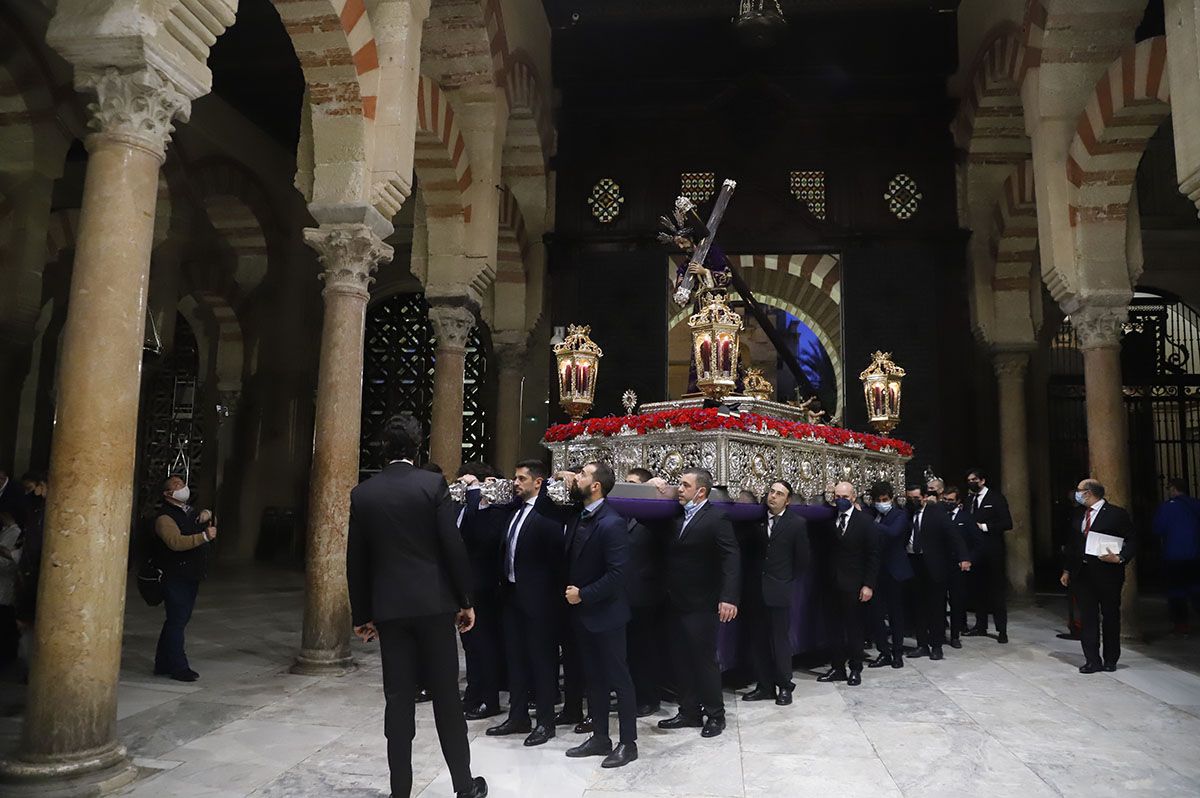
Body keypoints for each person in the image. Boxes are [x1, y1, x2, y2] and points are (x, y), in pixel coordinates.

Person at [345, 415, 486, 798]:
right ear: (417, 447)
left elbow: (355, 559)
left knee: (399, 699)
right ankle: (464, 785)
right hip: (434, 604)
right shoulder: (431, 484)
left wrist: (362, 615)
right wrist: (465, 600)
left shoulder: (364, 493)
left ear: (383, 449)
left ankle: (400, 792)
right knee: (446, 697)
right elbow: (451, 545)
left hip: (390, 609)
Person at [561, 462, 639, 768]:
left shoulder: (612, 522)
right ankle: (600, 737)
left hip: (606, 614)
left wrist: (584, 594)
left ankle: (628, 743)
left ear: (596, 486)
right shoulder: (579, 515)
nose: (577, 477)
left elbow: (618, 574)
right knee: (593, 679)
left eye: (582, 475)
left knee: (619, 679)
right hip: (582, 615)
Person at [486, 459, 567, 747]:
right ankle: (518, 716)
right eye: (515, 478)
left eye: (521, 479)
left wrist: (551, 599)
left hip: (539, 603)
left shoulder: (548, 517)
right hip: (511, 597)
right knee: (515, 659)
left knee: (541, 663)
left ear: (538, 482)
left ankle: (545, 722)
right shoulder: (516, 512)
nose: (516, 483)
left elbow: (558, 563)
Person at [658, 467, 740, 738]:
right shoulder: (677, 517)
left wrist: (728, 597)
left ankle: (715, 714)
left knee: (704, 660)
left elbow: (731, 559)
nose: (679, 489)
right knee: (680, 659)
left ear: (701, 491)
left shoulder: (717, 517)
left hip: (703, 603)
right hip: (676, 601)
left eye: (684, 485)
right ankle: (689, 711)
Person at [741, 479, 810, 705]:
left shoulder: (796, 523)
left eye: (779, 494)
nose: (773, 497)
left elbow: (802, 560)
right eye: (771, 492)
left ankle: (784, 685)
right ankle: (764, 685)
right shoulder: (756, 521)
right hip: (755, 591)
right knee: (757, 640)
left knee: (779, 641)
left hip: (778, 591)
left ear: (787, 500)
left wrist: (784, 580)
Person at [1061, 478, 1135, 674]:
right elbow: (1072, 544)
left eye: (1079, 490)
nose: (1076, 494)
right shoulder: (1079, 515)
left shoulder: (1116, 514)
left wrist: (1120, 558)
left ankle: (1110, 658)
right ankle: (1092, 660)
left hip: (1107, 573)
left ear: (1088, 492)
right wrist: (1067, 570)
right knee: (1087, 617)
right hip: (1082, 574)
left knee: (1110, 615)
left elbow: (1133, 539)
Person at [149, 475, 216, 682]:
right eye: (177, 485)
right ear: (168, 494)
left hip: (190, 573)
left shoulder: (187, 511)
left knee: (177, 620)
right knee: (177, 621)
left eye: (183, 483)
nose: (183, 487)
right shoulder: (165, 518)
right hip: (175, 575)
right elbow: (175, 542)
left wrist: (206, 515)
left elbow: (200, 518)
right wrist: (204, 537)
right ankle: (179, 667)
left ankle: (162, 663)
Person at [456, 461, 507, 720]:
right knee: (471, 645)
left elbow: (478, 534)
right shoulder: (465, 507)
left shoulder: (496, 511)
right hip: (463, 585)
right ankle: (473, 694)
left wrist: (477, 493)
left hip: (485, 586)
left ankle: (489, 699)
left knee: (484, 644)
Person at [818, 481, 879, 686]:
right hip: (832, 584)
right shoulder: (829, 521)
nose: (840, 500)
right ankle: (837, 668)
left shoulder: (865, 521)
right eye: (837, 497)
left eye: (844, 497)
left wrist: (868, 584)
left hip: (854, 585)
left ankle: (855, 668)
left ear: (853, 497)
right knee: (833, 628)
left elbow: (873, 555)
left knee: (853, 628)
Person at [904, 486, 968, 661]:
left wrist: (963, 556)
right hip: (913, 562)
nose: (913, 501)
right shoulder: (907, 513)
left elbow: (953, 535)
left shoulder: (936, 512)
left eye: (916, 498)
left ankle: (937, 645)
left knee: (936, 607)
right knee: (918, 607)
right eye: (910, 498)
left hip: (933, 564)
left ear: (924, 497)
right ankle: (922, 644)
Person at [623, 467, 669, 716]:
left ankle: (648, 698)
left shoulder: (653, 517)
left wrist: (655, 492)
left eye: (633, 484)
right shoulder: (622, 514)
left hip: (645, 593)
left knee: (644, 650)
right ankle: (630, 695)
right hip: (624, 593)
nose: (628, 488)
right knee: (628, 650)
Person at [964, 468, 1013, 643]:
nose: (971, 482)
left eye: (974, 479)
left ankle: (1001, 630)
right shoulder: (969, 499)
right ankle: (980, 625)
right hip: (975, 551)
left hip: (993, 551)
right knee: (978, 590)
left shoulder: (996, 498)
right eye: (968, 480)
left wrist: (984, 526)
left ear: (982, 480)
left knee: (996, 591)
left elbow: (1007, 523)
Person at [866, 481, 911, 669]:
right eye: (878, 500)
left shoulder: (899, 515)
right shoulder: (873, 515)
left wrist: (869, 523)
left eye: (885, 500)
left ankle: (897, 652)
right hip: (876, 572)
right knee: (877, 614)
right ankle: (884, 652)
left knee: (895, 614)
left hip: (894, 571)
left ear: (891, 499)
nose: (882, 503)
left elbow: (893, 533)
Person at [1152, 478, 1200, 633]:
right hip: (1195, 554)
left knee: (1176, 591)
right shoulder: (1196, 504)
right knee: (1196, 588)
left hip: (1174, 555)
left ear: (1173, 489)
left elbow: (1158, 529)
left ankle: (1181, 625)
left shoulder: (1167, 508)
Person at [940, 485, 978, 648]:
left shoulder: (966, 518)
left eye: (951, 500)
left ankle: (955, 635)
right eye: (945, 500)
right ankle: (939, 633)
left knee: (956, 602)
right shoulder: (939, 516)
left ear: (958, 501)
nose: (947, 503)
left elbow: (977, 542)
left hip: (957, 566)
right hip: (940, 565)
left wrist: (968, 559)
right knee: (939, 602)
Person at [0, 511, 21, 667]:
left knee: (6, 623)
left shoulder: (15, 533)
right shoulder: (4, 531)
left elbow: (12, 561)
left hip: (6, 586)